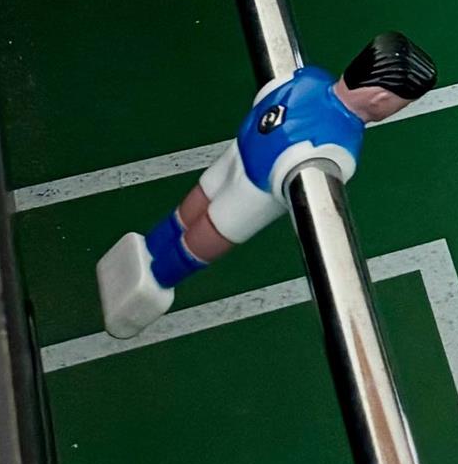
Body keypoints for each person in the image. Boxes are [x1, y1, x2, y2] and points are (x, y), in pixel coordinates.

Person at [96, 35, 436, 335]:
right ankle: (154, 282)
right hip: (257, 191)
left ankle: (149, 250)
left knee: (193, 207)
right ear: (380, 99)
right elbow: (317, 193)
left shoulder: (308, 77)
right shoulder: (341, 147)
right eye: (402, 104)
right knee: (210, 232)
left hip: (238, 154)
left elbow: (264, 97)